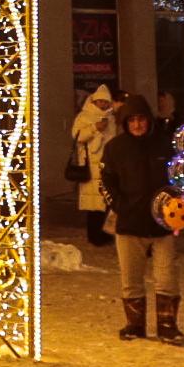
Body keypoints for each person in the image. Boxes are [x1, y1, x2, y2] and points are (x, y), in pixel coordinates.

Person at [101, 96, 184, 344]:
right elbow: (106, 180)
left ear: (148, 121)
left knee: (167, 277)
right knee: (131, 278)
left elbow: (179, 178)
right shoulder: (115, 148)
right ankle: (134, 324)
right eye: (132, 120)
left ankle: (167, 324)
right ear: (125, 123)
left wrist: (179, 202)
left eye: (141, 119)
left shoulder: (165, 145)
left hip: (163, 224)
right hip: (129, 224)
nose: (137, 125)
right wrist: (118, 204)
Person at [69, 83, 117, 249]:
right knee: (93, 205)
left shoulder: (111, 118)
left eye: (106, 102)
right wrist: (94, 129)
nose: (103, 104)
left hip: (107, 165)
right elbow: (77, 136)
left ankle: (105, 234)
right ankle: (94, 236)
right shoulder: (84, 116)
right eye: (100, 101)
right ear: (94, 101)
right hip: (91, 166)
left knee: (106, 202)